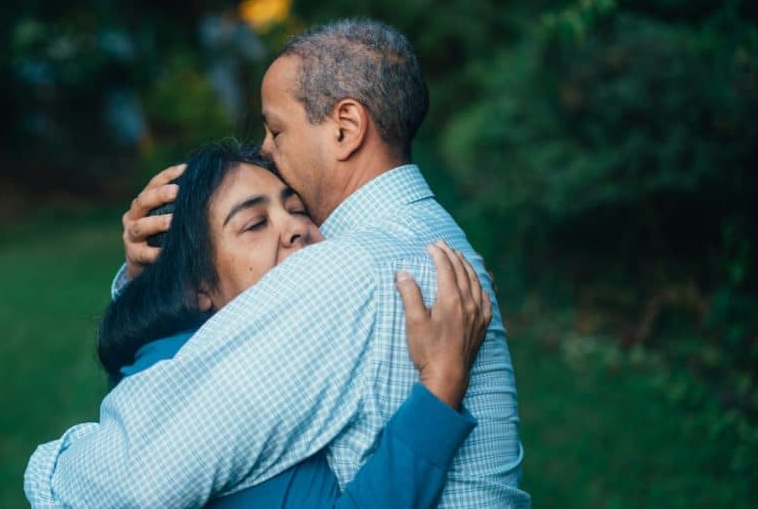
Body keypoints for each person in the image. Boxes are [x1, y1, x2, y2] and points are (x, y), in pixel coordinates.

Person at [27, 18, 528, 507]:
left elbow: (129, 480)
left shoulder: (345, 271)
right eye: (255, 222)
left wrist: (49, 466)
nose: (266, 151)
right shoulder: (431, 238)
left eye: (276, 130)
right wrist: (153, 276)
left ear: (346, 128)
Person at [86, 142, 489, 507]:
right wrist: (441, 384)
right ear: (196, 288)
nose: (296, 227)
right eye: (255, 224)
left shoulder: (170, 352)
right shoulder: (234, 394)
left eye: (297, 209)